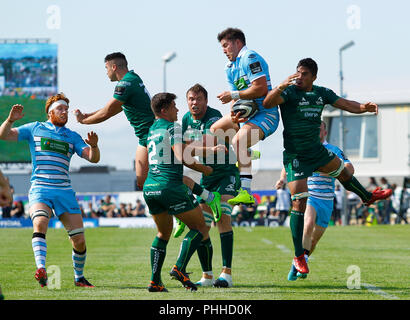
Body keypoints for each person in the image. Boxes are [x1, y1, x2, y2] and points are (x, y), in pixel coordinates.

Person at [263, 58, 393, 276]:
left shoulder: (322, 93)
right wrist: (281, 85)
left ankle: (367, 197)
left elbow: (345, 104)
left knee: (343, 172)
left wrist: (364, 108)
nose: (299, 77)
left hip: (317, 151)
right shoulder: (289, 92)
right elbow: (267, 103)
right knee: (299, 201)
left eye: (304, 74)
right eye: (298, 72)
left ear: (314, 76)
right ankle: (298, 256)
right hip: (296, 155)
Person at [0, 94, 100, 288]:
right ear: (50, 112)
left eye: (66, 109)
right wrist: (10, 119)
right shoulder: (35, 128)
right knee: (40, 222)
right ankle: (41, 269)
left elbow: (93, 158)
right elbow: (4, 135)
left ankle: (79, 278)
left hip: (64, 191)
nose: (65, 112)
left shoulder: (72, 136)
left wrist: (94, 146)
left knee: (79, 240)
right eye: (60, 109)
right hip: (40, 188)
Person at [143, 92, 218, 292]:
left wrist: (207, 149)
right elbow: (181, 154)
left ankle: (155, 281)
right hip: (170, 186)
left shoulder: (152, 130)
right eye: (174, 106)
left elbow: (181, 148)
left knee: (163, 234)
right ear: (164, 109)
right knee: (201, 228)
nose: (178, 110)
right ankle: (179, 268)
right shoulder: (173, 127)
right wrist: (205, 169)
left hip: (150, 188)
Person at [176, 83, 240, 288]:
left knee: (222, 216)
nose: (194, 103)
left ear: (206, 101)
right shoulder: (186, 119)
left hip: (226, 175)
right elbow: (190, 150)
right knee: (200, 225)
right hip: (207, 178)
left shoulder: (213, 117)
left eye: (199, 99)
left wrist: (189, 149)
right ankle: (207, 276)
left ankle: (226, 274)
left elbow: (198, 147)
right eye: (191, 99)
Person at [210, 27, 280, 206]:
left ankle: (246, 192)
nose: (224, 50)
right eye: (222, 47)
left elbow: (261, 88)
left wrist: (233, 96)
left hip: (266, 113)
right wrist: (234, 113)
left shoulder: (250, 58)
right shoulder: (229, 67)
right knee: (216, 130)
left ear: (238, 43)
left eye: (226, 46)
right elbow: (235, 95)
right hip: (248, 113)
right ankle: (247, 153)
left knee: (238, 142)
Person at [276, 121, 353, 280]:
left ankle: (298, 262)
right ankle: (300, 260)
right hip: (309, 194)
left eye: (319, 129)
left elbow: (350, 168)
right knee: (308, 224)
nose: (316, 132)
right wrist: (282, 179)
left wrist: (332, 170)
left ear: (325, 132)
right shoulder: (304, 148)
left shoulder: (333, 150)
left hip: (327, 199)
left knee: (314, 240)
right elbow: (289, 163)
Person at [74, 52, 155, 190]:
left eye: (106, 68)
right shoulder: (133, 77)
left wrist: (84, 121)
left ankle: (200, 197)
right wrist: (88, 115)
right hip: (144, 137)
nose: (106, 72)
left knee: (166, 181)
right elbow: (115, 108)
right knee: (142, 182)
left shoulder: (125, 84)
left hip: (153, 135)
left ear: (114, 67)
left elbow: (107, 112)